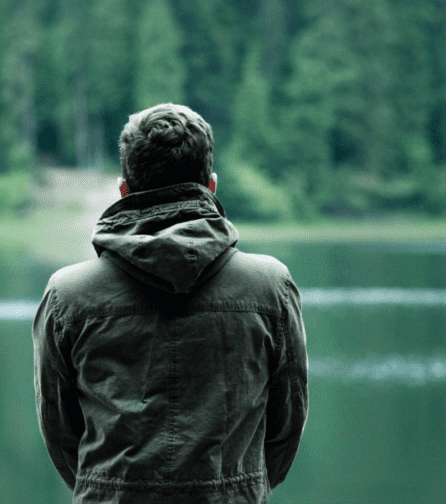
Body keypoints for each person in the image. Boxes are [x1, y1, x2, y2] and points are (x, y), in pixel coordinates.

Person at [33, 103, 308, 503]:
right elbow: (286, 426)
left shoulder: (68, 295)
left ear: (124, 190)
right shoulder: (270, 287)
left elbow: (61, 433)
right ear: (211, 186)